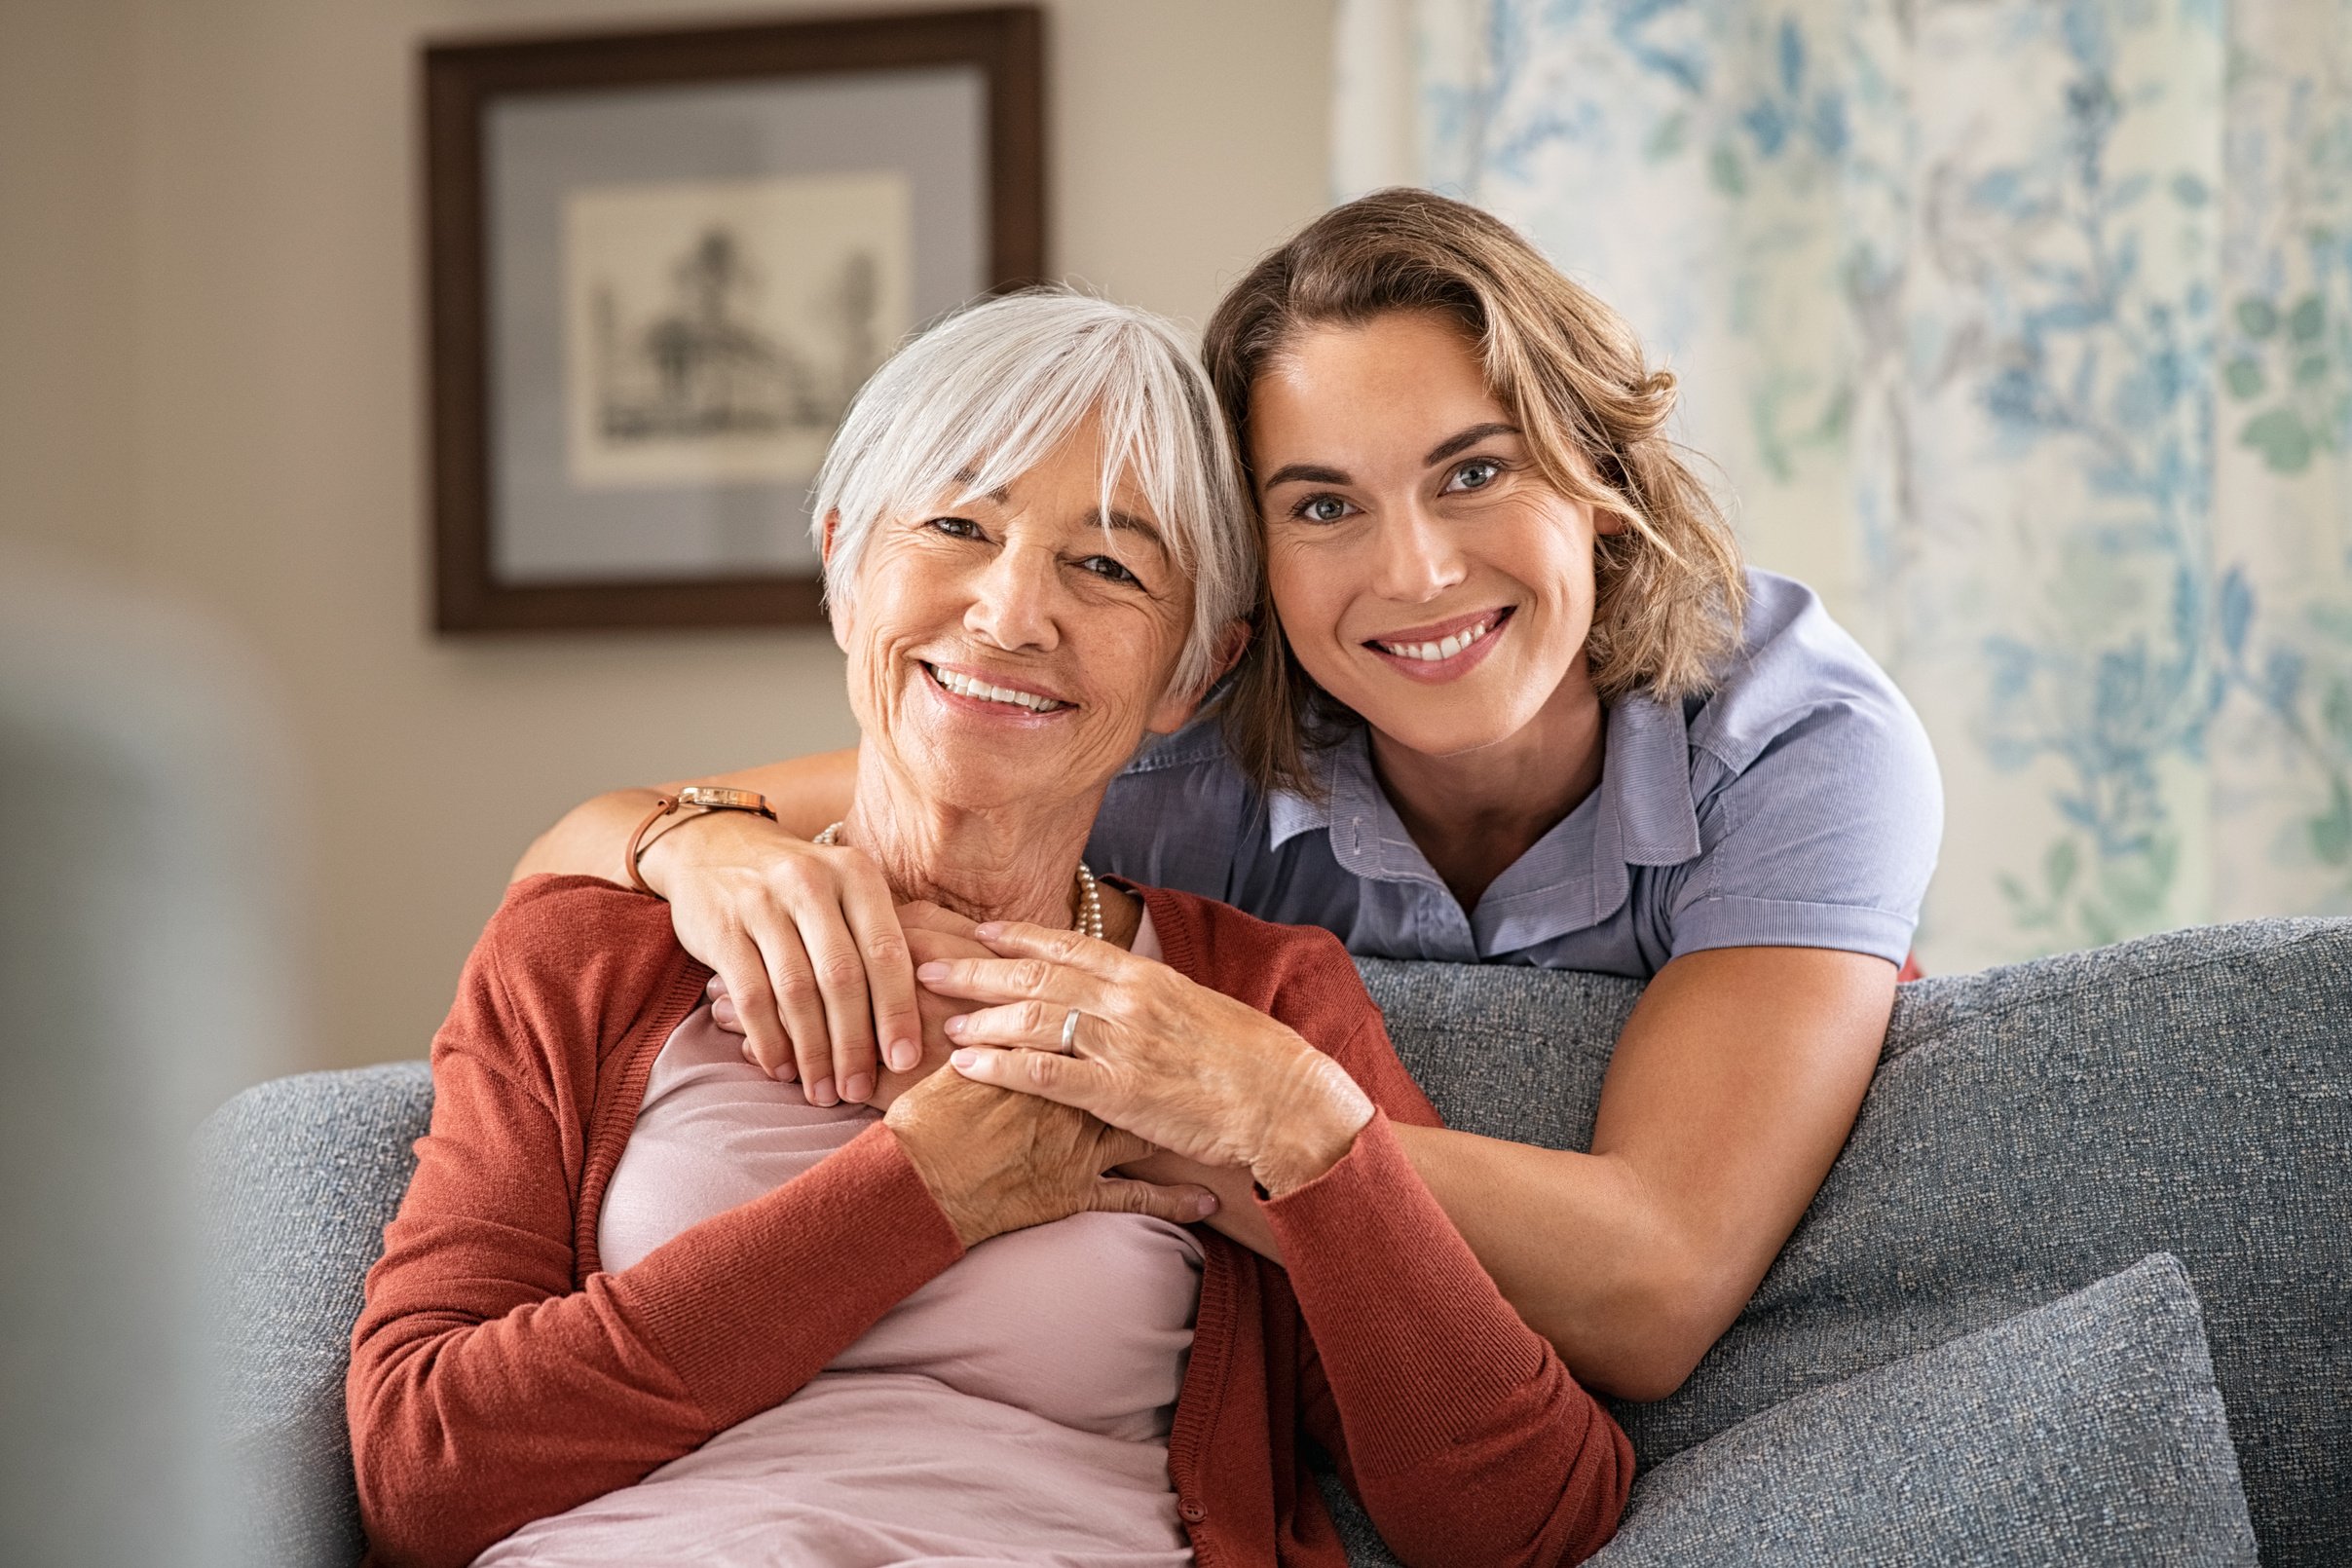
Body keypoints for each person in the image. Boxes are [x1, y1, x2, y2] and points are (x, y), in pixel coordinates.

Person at [517, 191, 1943, 1401]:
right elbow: (587, 846)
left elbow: (1656, 1287)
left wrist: (1250, 1099)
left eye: (1475, 472)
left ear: (1604, 481)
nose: (1419, 572)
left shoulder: (1799, 744)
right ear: (1244, 578)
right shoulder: (1186, 752)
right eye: (1324, 506)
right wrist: (692, 847)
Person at [351, 291, 1631, 1568]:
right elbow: (424, 1471)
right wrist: (926, 1192)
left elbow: (1524, 1523)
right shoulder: (597, 951)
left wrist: (1308, 1131)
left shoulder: (1254, 1002)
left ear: (1192, 671)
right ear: (847, 564)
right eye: (958, 524)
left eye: (1110, 565)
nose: (1013, 612)